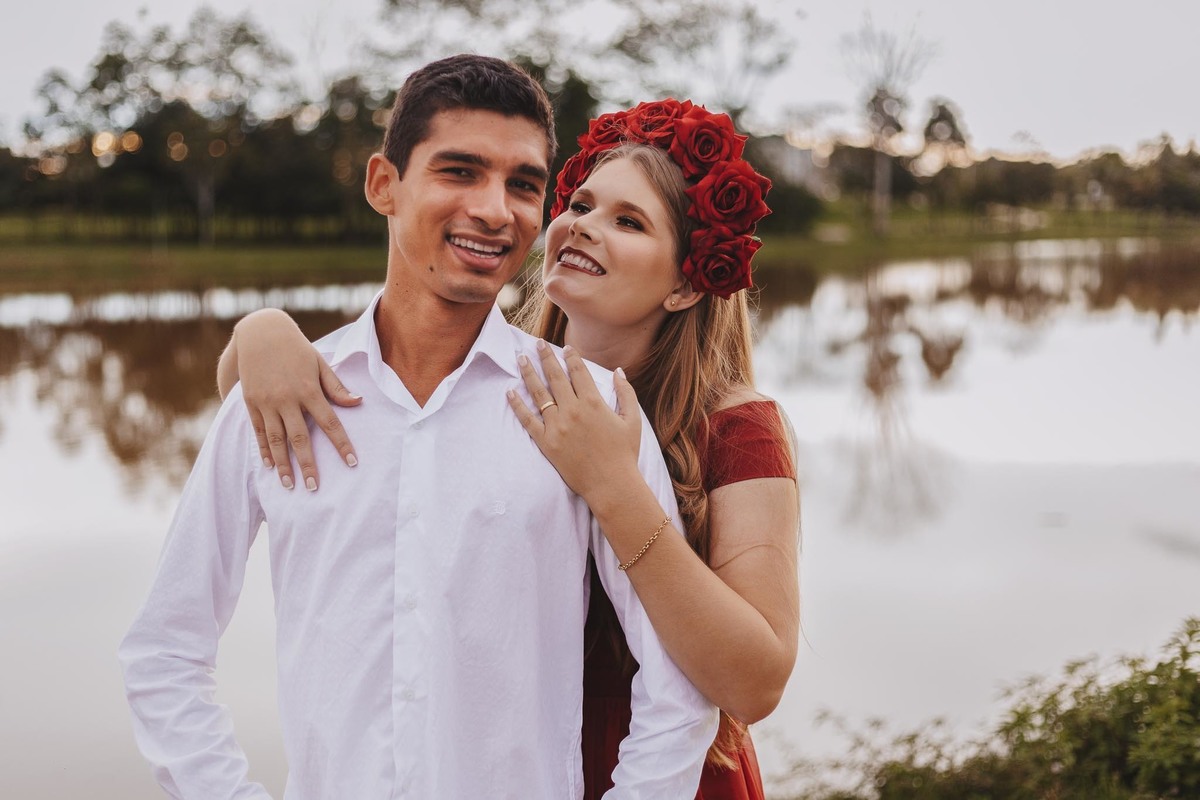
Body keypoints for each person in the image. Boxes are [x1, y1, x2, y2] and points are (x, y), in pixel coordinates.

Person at [119, 55, 718, 800]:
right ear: (384, 185)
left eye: (524, 184)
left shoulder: (587, 411)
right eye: (459, 171)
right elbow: (165, 652)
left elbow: (679, 689)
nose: (496, 210)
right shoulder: (273, 399)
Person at [220, 99, 800, 799]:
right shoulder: (491, 381)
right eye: (580, 204)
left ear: (684, 282)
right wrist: (259, 330)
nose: (583, 226)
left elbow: (755, 681)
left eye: (628, 221)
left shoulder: (735, 427)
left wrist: (614, 489)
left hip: (661, 774)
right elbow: (271, 410)